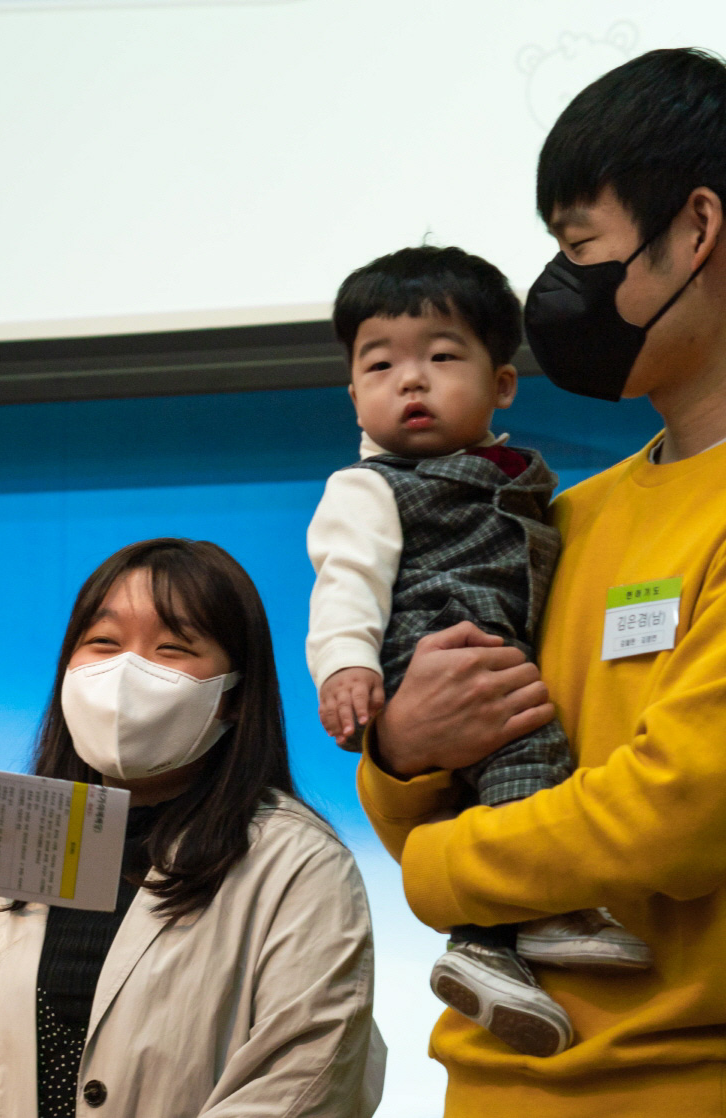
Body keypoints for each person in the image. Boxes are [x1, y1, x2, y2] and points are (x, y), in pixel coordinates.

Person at [355, 49, 726, 1116]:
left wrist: (438, 867)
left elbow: (675, 816)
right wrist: (401, 747)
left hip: (686, 1085)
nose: (558, 287)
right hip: (483, 1078)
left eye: (578, 245)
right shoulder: (565, 511)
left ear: (696, 230)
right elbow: (436, 765)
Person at [0, 538, 384, 1118]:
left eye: (171, 648)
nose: (126, 672)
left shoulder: (300, 863)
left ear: (235, 696)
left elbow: (303, 1085)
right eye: (104, 643)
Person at [306, 246, 650, 1059]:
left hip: (486, 650)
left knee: (497, 784)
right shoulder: (366, 487)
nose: (409, 382)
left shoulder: (519, 478)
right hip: (433, 652)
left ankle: (489, 949)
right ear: (352, 395)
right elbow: (345, 580)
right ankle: (536, 911)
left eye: (440, 358)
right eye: (379, 365)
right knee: (530, 750)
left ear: (501, 384)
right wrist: (346, 666)